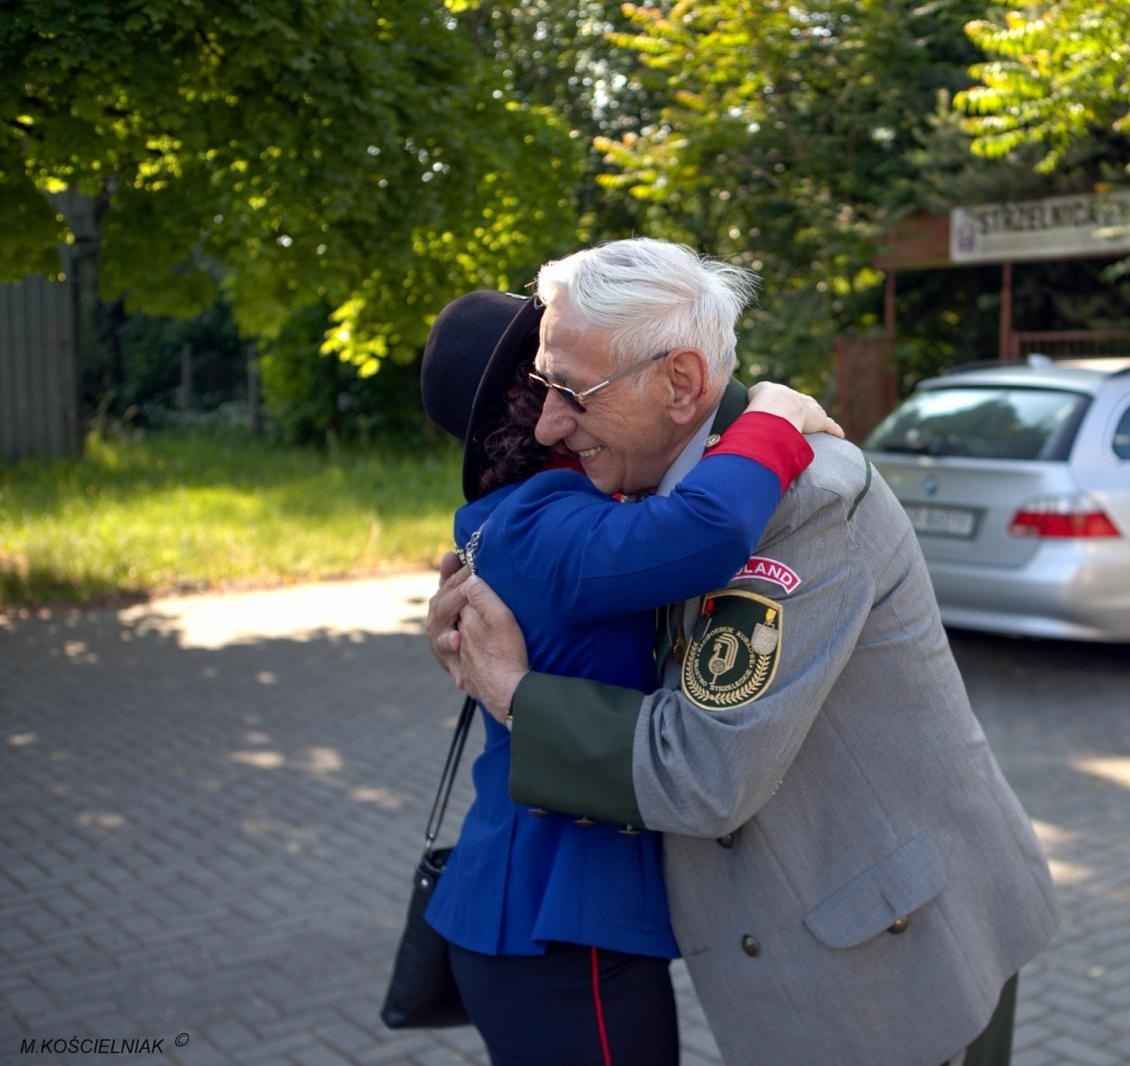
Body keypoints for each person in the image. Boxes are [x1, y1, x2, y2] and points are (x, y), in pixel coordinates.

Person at [429, 238, 1059, 1066]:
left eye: (573, 393)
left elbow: (702, 770)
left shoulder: (803, 503)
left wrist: (511, 690)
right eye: (543, 388)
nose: (548, 421)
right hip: (810, 951)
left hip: (897, 966)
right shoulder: (641, 496)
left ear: (682, 383)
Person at [416, 285, 843, 1065]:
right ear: (525, 400)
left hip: (545, 918)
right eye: (555, 374)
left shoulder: (516, 517)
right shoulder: (541, 518)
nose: (567, 394)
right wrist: (774, 419)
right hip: (555, 924)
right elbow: (706, 526)